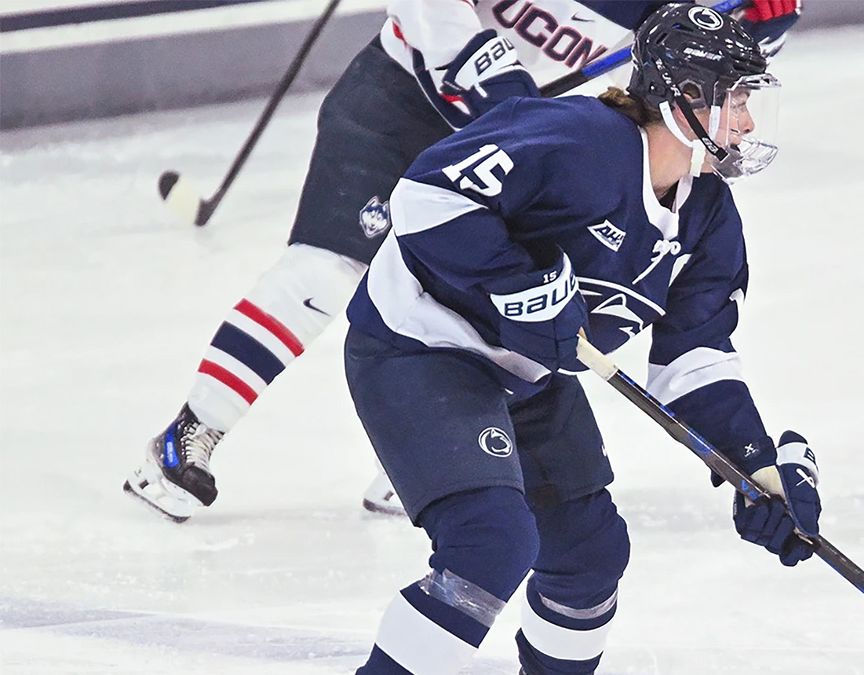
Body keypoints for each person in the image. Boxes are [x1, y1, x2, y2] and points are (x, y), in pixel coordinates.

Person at [123, 0, 801, 522]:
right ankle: (192, 429)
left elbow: (696, 81)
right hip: (406, 104)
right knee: (329, 271)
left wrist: (763, 24)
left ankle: (431, 450)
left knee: (504, 304)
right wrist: (489, 73)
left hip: (536, 140)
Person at [343, 4, 821, 673]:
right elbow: (427, 196)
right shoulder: (576, 138)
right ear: (683, 98)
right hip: (421, 348)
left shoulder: (709, 220)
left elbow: (695, 359)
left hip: (526, 375)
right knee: (491, 543)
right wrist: (520, 285)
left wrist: (756, 467)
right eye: (735, 98)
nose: (745, 121)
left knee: (589, 555)